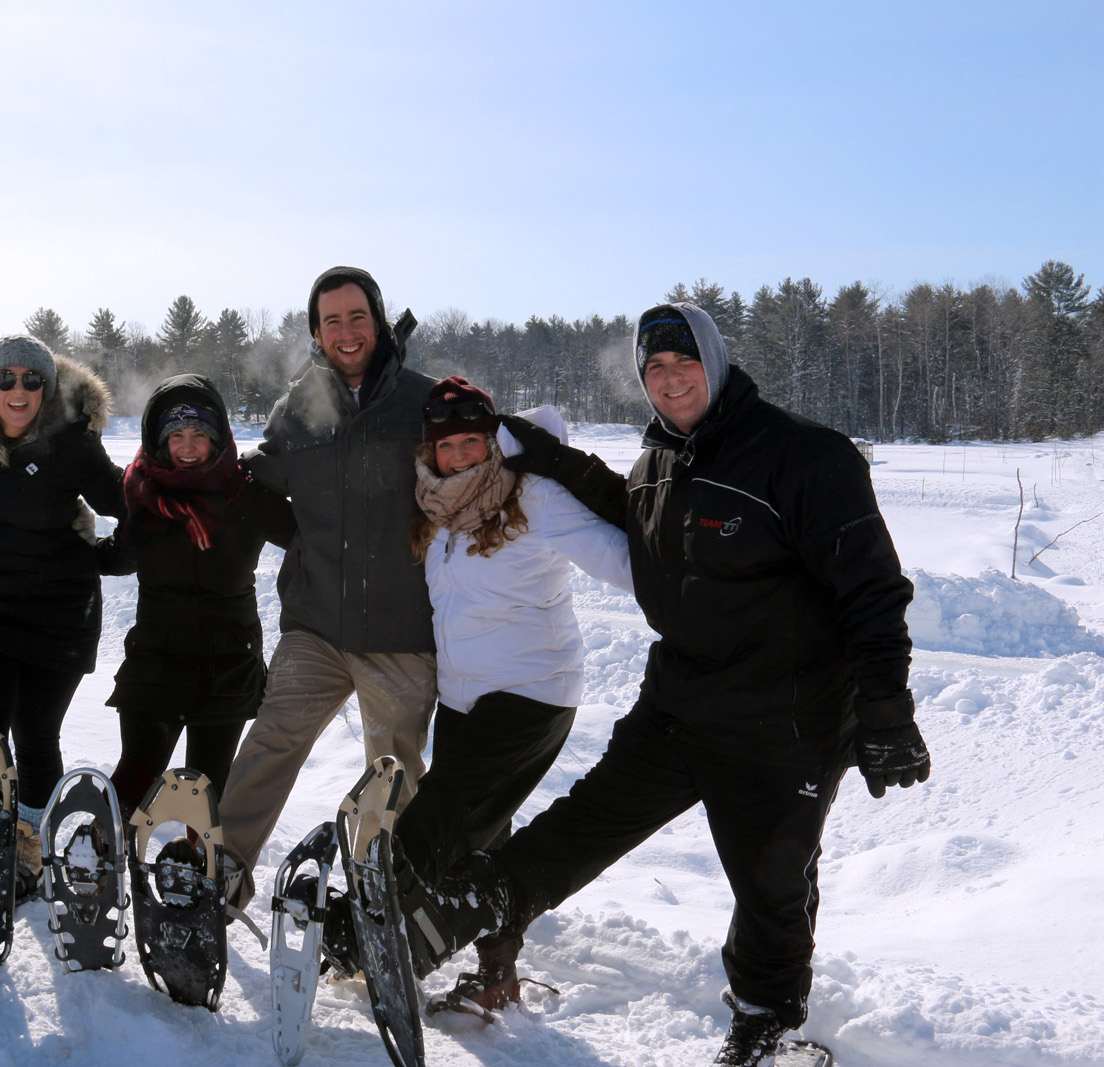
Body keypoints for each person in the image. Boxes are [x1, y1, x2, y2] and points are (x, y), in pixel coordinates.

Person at [396, 303, 932, 1067]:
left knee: (771, 882)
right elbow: (632, 518)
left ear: (712, 362)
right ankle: (469, 906)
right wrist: (553, 456)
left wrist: (886, 706)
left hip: (787, 717)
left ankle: (767, 1026)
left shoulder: (805, 455)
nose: (670, 378)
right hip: (681, 701)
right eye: (654, 368)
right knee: (588, 821)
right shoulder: (658, 461)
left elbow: (872, 587)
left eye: (682, 363)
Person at [328, 375, 633, 1012]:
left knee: (440, 813)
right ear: (430, 453)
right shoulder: (435, 511)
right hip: (465, 696)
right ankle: (498, 974)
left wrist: (704, 601)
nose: (461, 455)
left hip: (533, 690)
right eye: (448, 446)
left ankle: (358, 933)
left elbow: (625, 561)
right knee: (486, 836)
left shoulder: (537, 497)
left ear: (493, 440)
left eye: (473, 440)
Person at [216, 266, 439, 913]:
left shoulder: (421, 401)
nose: (346, 331)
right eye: (331, 320)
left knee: (393, 772)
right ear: (316, 332)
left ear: (378, 320)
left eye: (357, 316)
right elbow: (265, 480)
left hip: (400, 630)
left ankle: (385, 899)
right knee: (269, 740)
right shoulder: (301, 406)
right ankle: (219, 876)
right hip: (316, 622)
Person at [0, 334, 127, 878]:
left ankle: (26, 846)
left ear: (47, 388)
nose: (17, 390)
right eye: (5, 378)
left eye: (32, 380)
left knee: (38, 733)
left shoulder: (70, 442)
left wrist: (108, 556)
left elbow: (134, 504)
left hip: (58, 610)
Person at [105, 374, 295, 817]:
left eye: (199, 435)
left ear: (219, 438)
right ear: (158, 439)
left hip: (226, 659)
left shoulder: (245, 492)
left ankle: (198, 871)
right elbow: (118, 556)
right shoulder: (141, 491)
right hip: (155, 656)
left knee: (206, 788)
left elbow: (310, 535)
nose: (188, 447)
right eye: (176, 435)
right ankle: (100, 854)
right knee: (136, 770)